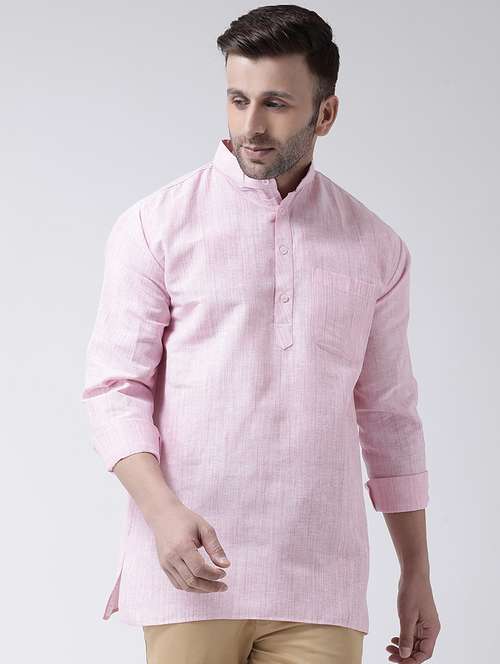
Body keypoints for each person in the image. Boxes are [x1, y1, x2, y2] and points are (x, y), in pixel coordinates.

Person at [82, 5, 441, 663]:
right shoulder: (155, 225)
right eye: (238, 99)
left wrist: (415, 572)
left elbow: (390, 416)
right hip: (190, 570)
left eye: (275, 103)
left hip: (322, 583)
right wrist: (163, 514)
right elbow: (114, 390)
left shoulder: (375, 247)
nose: (250, 125)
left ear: (325, 114)